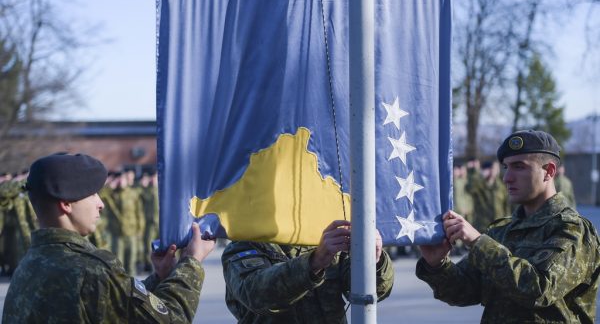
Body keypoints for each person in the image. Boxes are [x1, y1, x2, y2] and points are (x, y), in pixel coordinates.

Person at [2, 153, 215, 323]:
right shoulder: (90, 269)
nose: (100, 203)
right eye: (92, 194)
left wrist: (159, 278)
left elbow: (116, 307)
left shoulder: (29, 265)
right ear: (66, 204)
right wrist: (191, 263)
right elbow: (170, 320)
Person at [416, 129, 600, 323]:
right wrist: (438, 265)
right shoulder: (500, 231)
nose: (507, 178)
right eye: (506, 167)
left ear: (549, 171)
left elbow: (539, 290)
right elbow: (464, 291)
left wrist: (477, 242)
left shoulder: (573, 230)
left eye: (519, 167)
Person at [222, 220, 395, 323]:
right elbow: (256, 295)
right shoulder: (245, 244)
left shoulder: (324, 237)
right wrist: (314, 262)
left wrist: (373, 261)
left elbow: (373, 292)